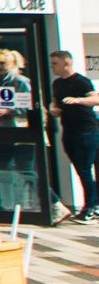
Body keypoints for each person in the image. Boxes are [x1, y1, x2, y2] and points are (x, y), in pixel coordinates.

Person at [52, 50, 98, 223]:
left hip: (86, 130)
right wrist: (54, 109)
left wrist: (77, 100)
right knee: (81, 169)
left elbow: (95, 99)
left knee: (86, 169)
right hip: (68, 130)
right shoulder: (57, 83)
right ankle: (92, 205)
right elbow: (55, 102)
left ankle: (90, 208)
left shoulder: (81, 82)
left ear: (66, 63)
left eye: (55, 63)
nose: (52, 67)